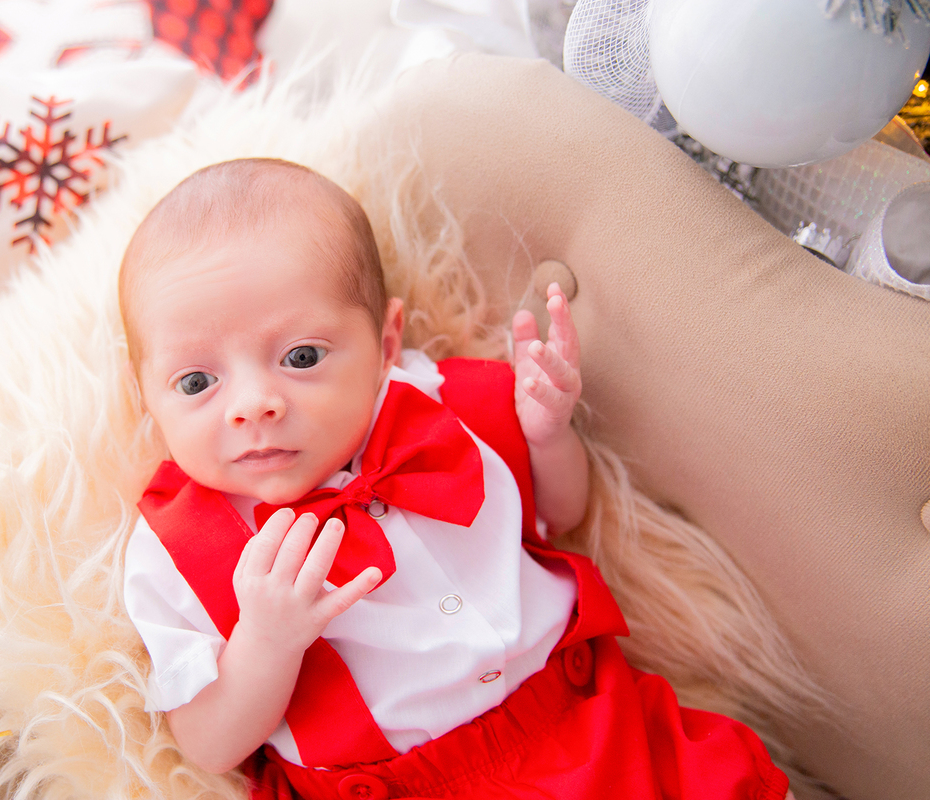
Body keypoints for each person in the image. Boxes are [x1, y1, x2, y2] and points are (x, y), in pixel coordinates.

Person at [119, 158, 792, 800]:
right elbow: (207, 745)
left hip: (587, 722)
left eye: (301, 356)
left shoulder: (444, 407)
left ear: (385, 347)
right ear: (147, 394)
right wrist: (264, 645)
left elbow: (560, 515)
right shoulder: (177, 551)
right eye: (197, 382)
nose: (252, 403)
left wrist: (548, 436)